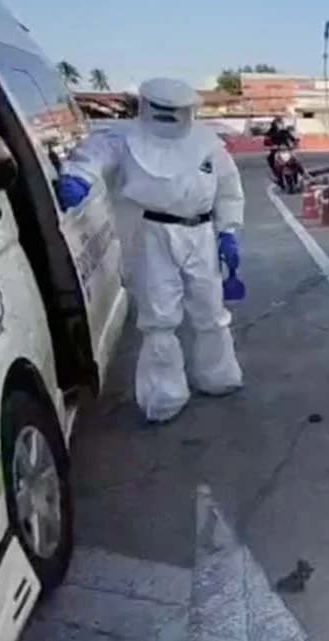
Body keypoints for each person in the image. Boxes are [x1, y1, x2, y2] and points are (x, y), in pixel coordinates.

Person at [56, 78, 245, 423]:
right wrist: (77, 177)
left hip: (202, 232)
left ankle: (218, 376)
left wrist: (228, 231)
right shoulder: (123, 137)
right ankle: (164, 395)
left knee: (211, 308)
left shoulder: (207, 144)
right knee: (159, 316)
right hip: (151, 234)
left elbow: (229, 190)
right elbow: (92, 156)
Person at [264, 117, 299, 183]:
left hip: (287, 150)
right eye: (278, 123)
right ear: (274, 124)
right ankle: (277, 176)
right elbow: (266, 142)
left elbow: (292, 138)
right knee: (270, 159)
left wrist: (295, 142)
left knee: (295, 160)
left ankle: (299, 174)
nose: (280, 125)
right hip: (276, 151)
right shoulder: (270, 132)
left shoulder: (285, 132)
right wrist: (271, 145)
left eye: (281, 123)